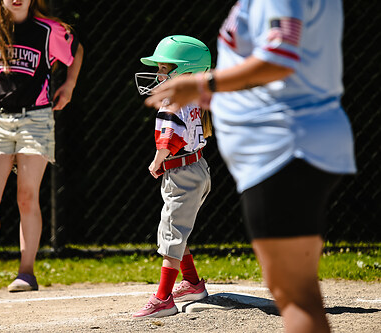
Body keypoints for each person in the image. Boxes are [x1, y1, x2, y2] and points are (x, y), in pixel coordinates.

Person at [144, 1, 356, 332]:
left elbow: (279, 59)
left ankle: (166, 296)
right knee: (290, 285)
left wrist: (202, 85)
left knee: (292, 289)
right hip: (283, 148)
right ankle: (192, 283)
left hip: (286, 147)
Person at [0, 0, 83, 293]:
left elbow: (76, 50)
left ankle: (26, 273)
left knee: (26, 197)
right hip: (0, 119)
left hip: (37, 119)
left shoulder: (47, 29)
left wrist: (70, 85)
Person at [132, 35, 213, 318]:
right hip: (199, 169)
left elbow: (168, 142)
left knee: (171, 232)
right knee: (178, 229)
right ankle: (192, 283)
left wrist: (156, 163)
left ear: (186, 72)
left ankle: (164, 299)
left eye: (165, 68)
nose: (158, 74)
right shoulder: (195, 97)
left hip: (181, 173)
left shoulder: (171, 102)